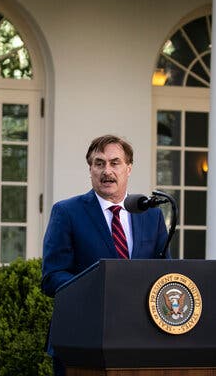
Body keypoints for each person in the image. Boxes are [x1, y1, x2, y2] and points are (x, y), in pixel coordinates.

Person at [41, 134, 169, 375]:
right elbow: (51, 277)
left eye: (115, 162)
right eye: (99, 163)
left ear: (129, 168)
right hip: (81, 339)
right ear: (90, 169)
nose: (106, 170)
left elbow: (165, 271)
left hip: (141, 338)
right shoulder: (67, 212)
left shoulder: (150, 215)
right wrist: (99, 288)